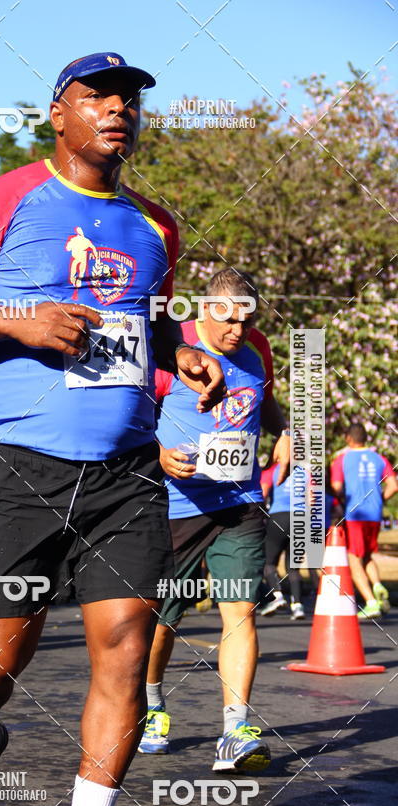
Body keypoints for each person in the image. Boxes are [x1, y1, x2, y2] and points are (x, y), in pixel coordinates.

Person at [0, 52, 226, 806]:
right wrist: (20, 320)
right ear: (59, 114)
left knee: (124, 651)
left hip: (126, 476)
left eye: (129, 100)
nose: (118, 110)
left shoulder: (157, 226)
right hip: (21, 468)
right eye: (98, 97)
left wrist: (182, 354)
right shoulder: (2, 200)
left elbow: (146, 326)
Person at [139, 268, 290, 772]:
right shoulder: (173, 347)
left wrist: (286, 430)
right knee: (164, 619)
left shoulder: (256, 348)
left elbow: (264, 400)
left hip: (239, 502)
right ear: (205, 310)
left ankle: (234, 731)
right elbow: (132, 412)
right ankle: (152, 704)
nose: (238, 332)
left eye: (247, 321)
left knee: (240, 611)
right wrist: (157, 453)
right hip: (177, 506)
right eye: (228, 321)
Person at [331, 423, 397, 619]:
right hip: (374, 514)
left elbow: (336, 487)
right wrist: (379, 499)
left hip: (355, 514)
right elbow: (393, 486)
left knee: (353, 558)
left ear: (348, 438)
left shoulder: (342, 460)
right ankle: (377, 586)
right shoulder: (380, 458)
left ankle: (370, 602)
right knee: (367, 555)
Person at [260, 463, 306, 620]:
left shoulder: (272, 470)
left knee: (269, 562)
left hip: (279, 516)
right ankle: (298, 606)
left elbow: (263, 494)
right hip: (301, 518)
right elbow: (313, 499)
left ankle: (277, 596)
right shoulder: (305, 472)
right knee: (293, 568)